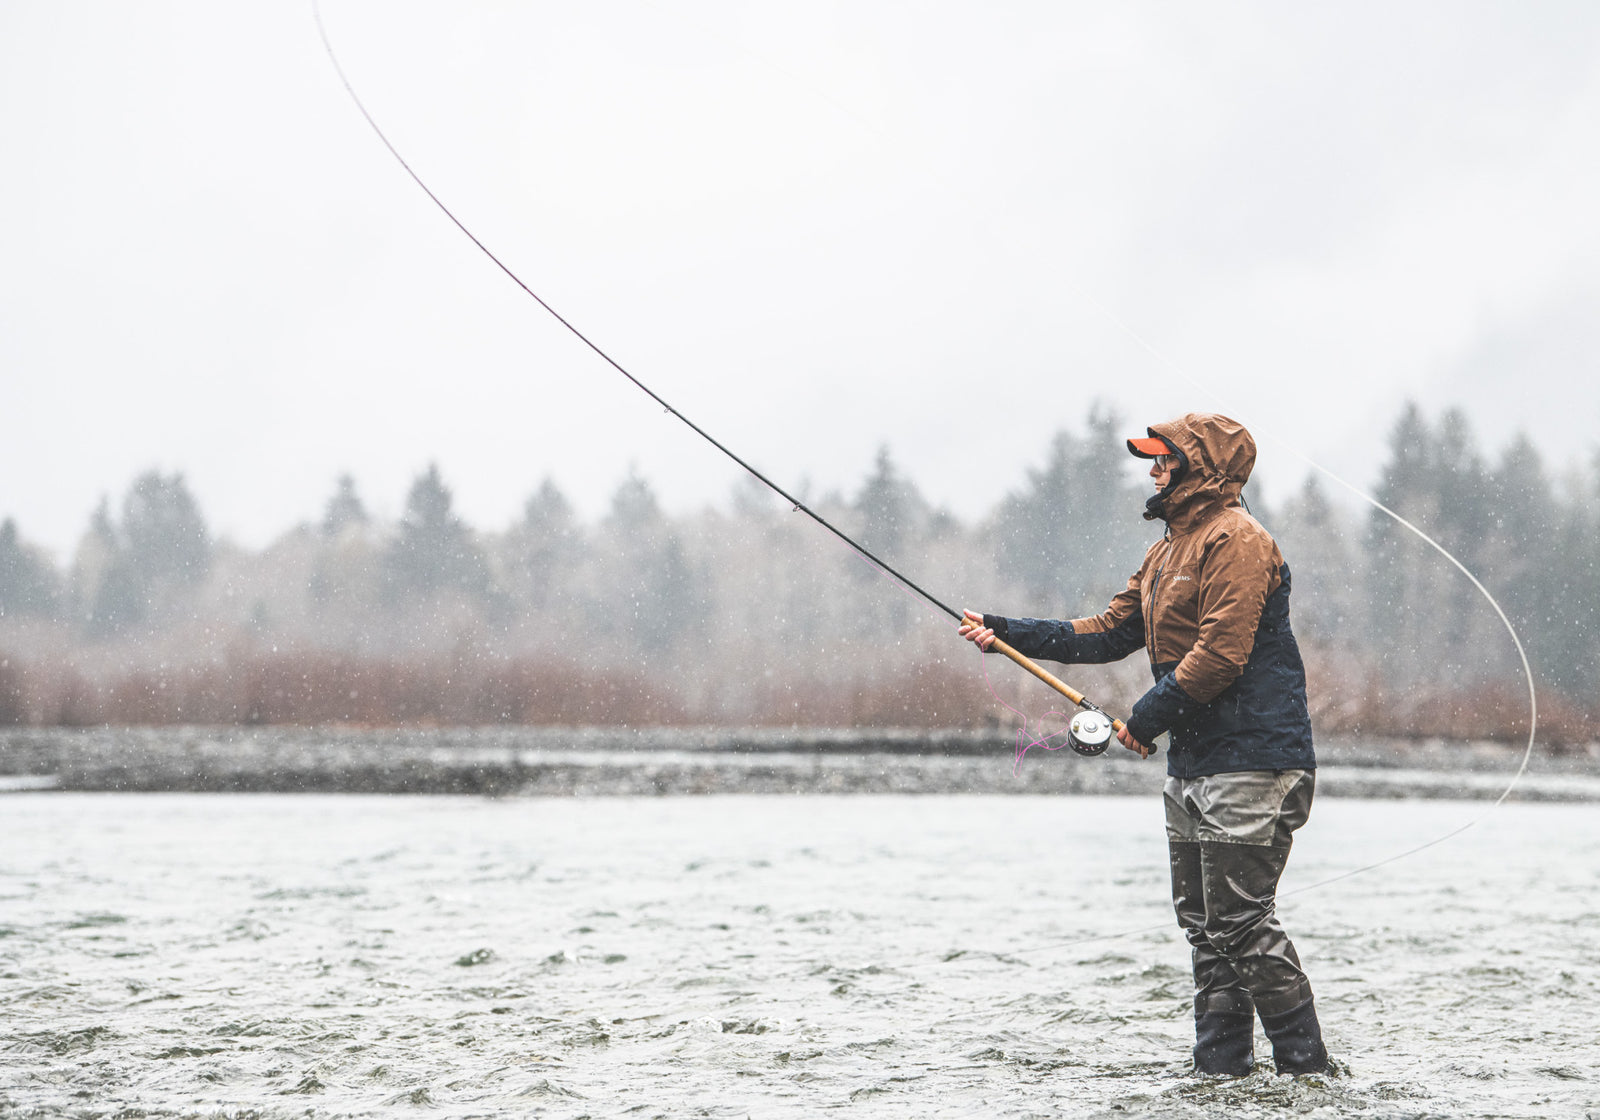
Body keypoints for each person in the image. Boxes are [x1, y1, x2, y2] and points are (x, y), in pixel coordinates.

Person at [958, 411, 1329, 1077]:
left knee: (1241, 925)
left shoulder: (1239, 541)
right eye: (1152, 460)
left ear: (1200, 466)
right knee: (1208, 929)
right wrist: (1006, 631)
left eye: (1165, 459)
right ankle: (1221, 1073)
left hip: (1255, 760)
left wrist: (1144, 718)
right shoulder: (1167, 550)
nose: (1154, 470)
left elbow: (1221, 653)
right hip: (1196, 764)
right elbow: (1105, 632)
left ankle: (1309, 1072)